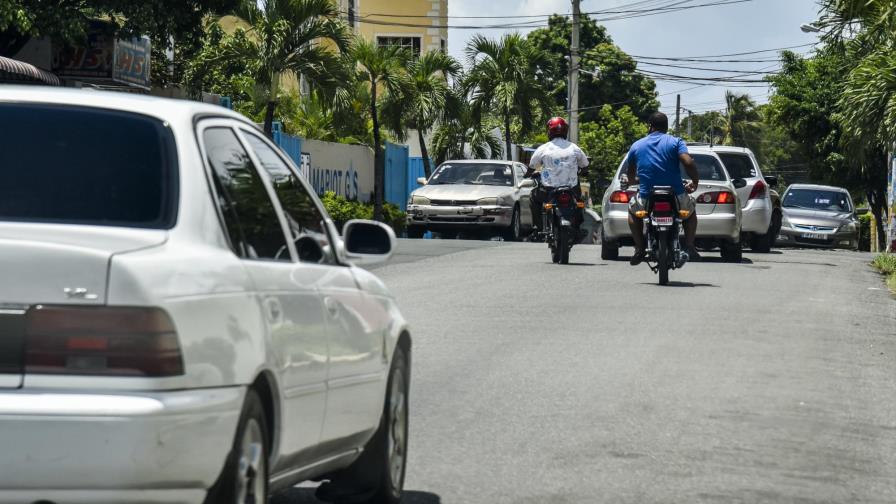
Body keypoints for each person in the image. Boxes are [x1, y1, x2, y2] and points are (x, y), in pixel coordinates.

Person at [623, 111, 700, 266]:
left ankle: (639, 248)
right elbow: (688, 162)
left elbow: (631, 173)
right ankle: (690, 246)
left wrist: (633, 181)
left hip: (646, 196)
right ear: (666, 127)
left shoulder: (637, 145)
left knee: (632, 211)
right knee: (690, 213)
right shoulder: (676, 142)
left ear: (650, 126)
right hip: (676, 194)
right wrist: (695, 182)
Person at [526, 117, 589, 233]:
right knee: (579, 201)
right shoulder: (575, 148)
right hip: (572, 190)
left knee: (533, 196)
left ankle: (538, 227)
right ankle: (578, 226)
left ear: (549, 131)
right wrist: (584, 172)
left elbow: (531, 167)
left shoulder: (543, 148)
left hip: (548, 190)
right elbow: (585, 165)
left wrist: (527, 174)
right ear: (565, 131)